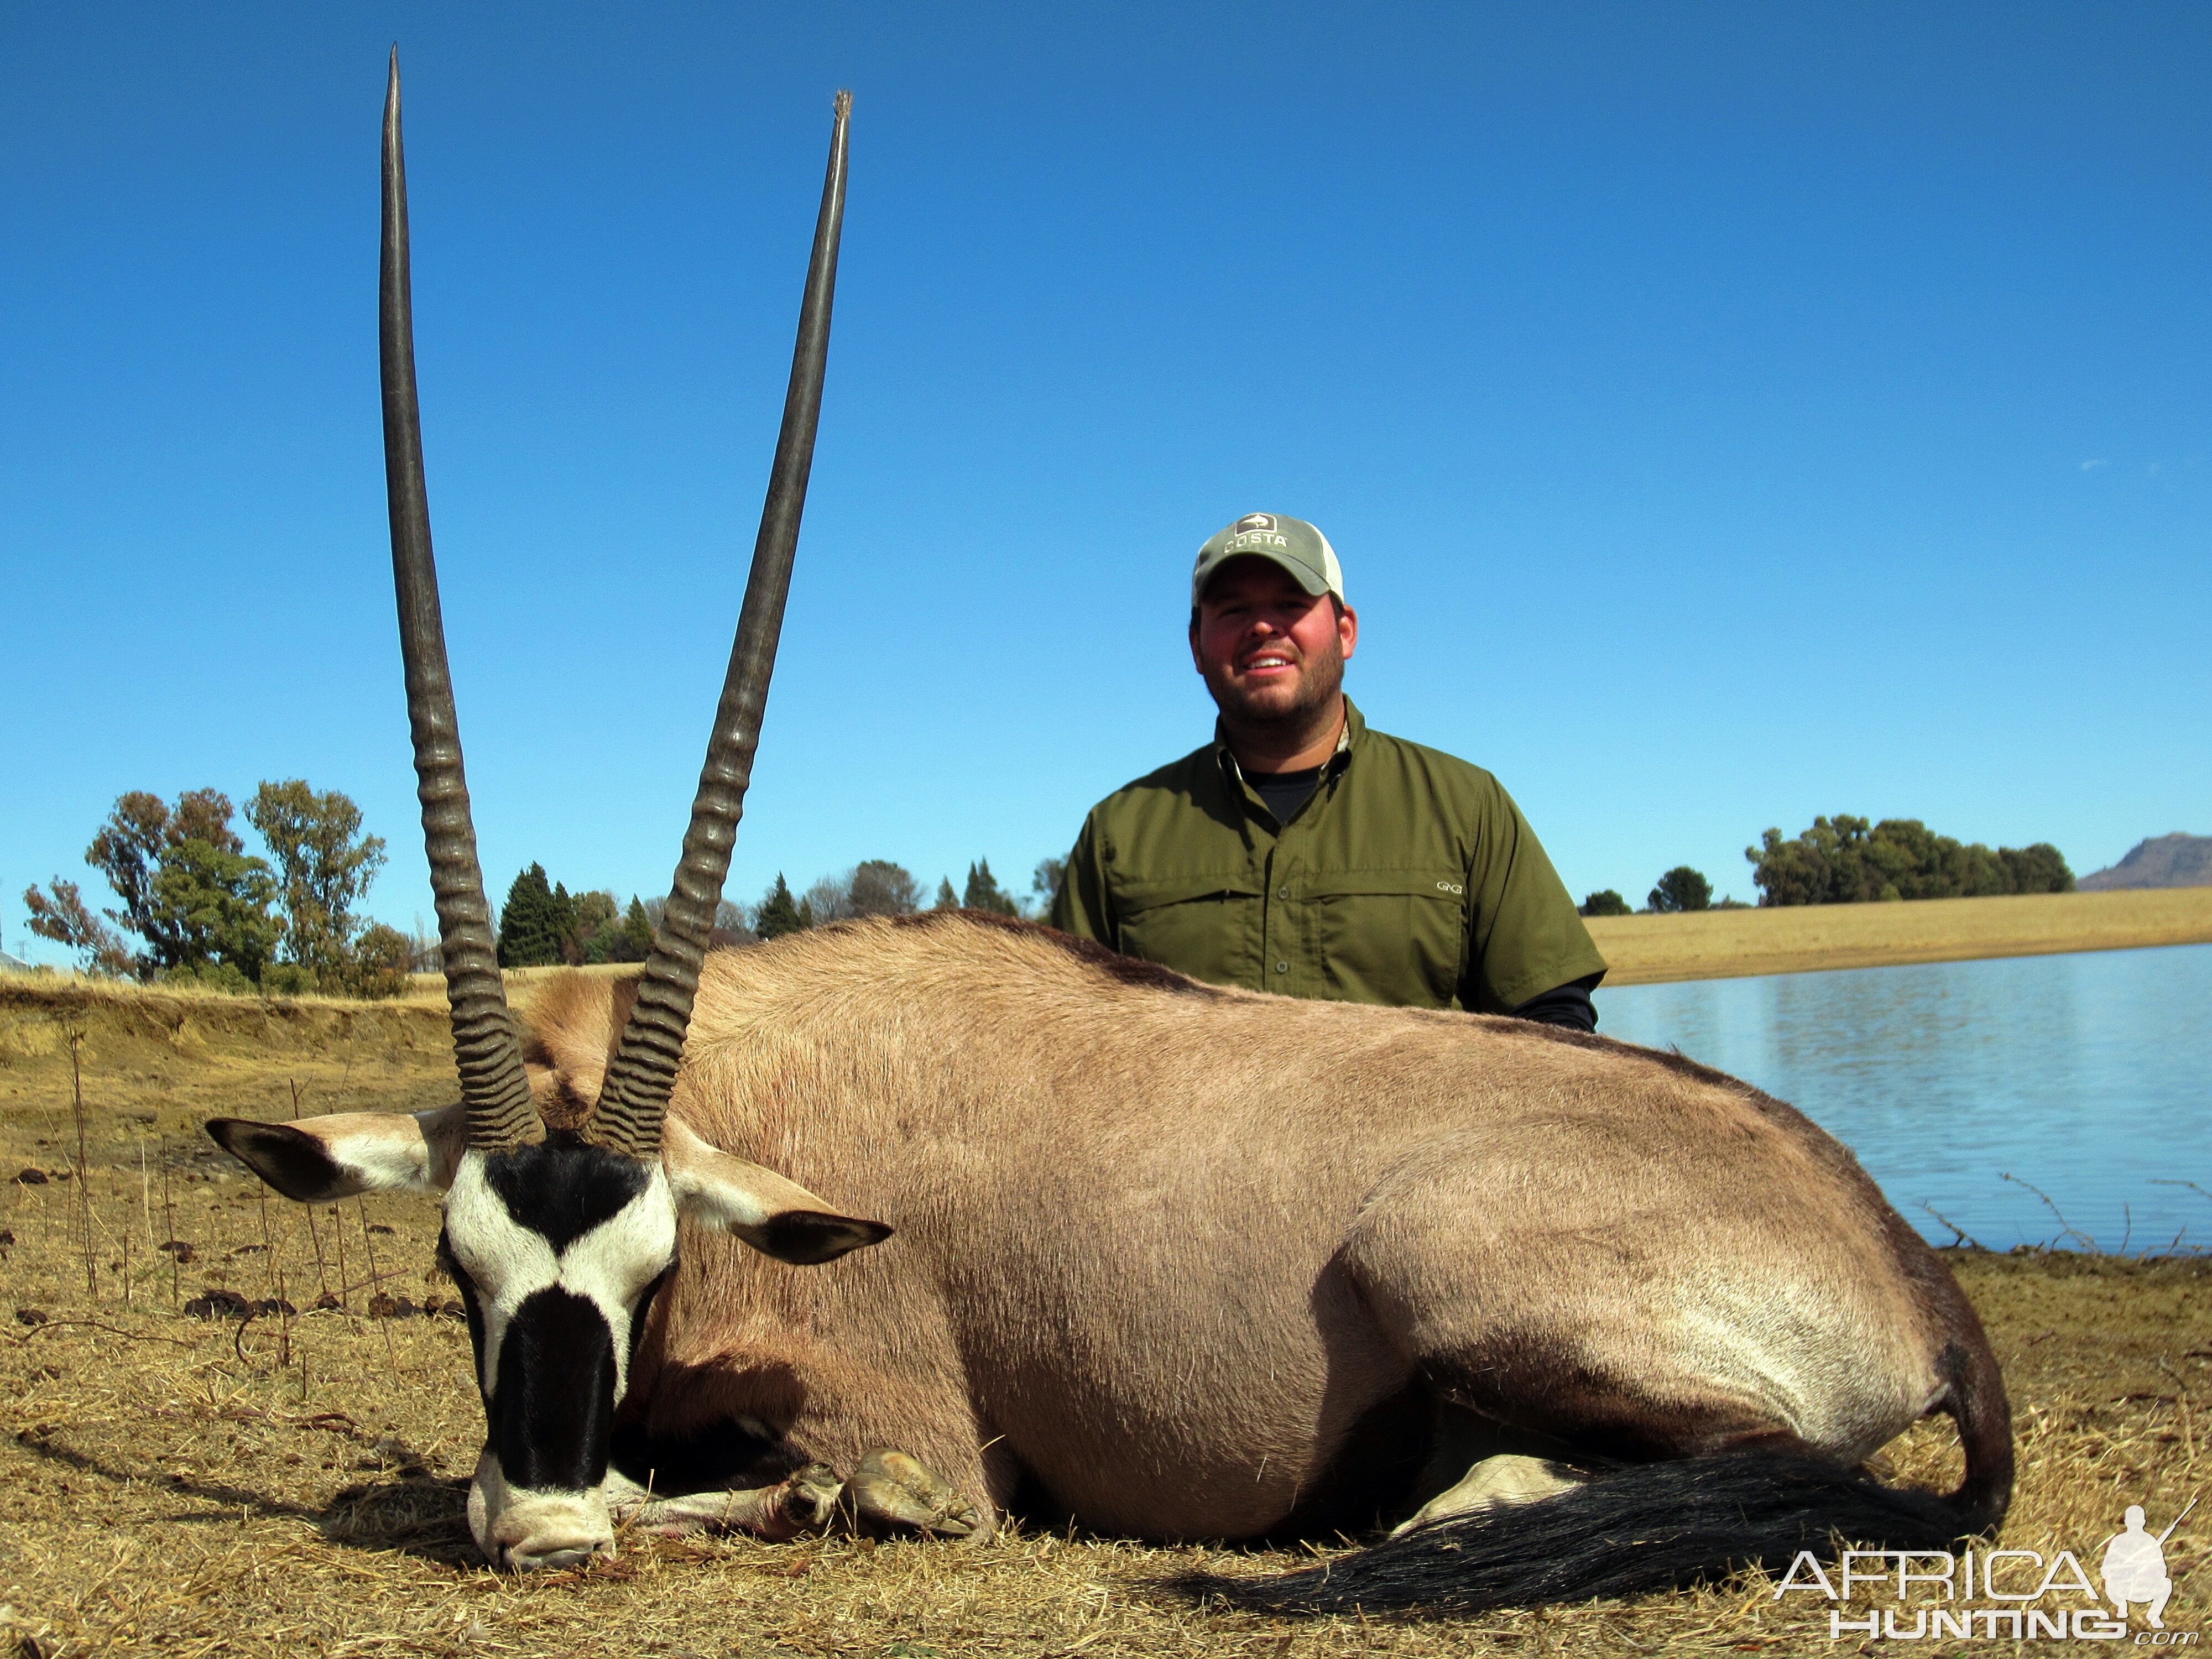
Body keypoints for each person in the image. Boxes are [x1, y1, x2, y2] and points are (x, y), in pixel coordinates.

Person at [1052, 512, 1606, 1029]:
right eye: (1233, 610)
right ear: (1196, 646)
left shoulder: (1467, 808)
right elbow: (1054, 1042)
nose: (1263, 627)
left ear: (1345, 632)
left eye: (1291, 603)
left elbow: (1556, 1022)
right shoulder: (1117, 836)